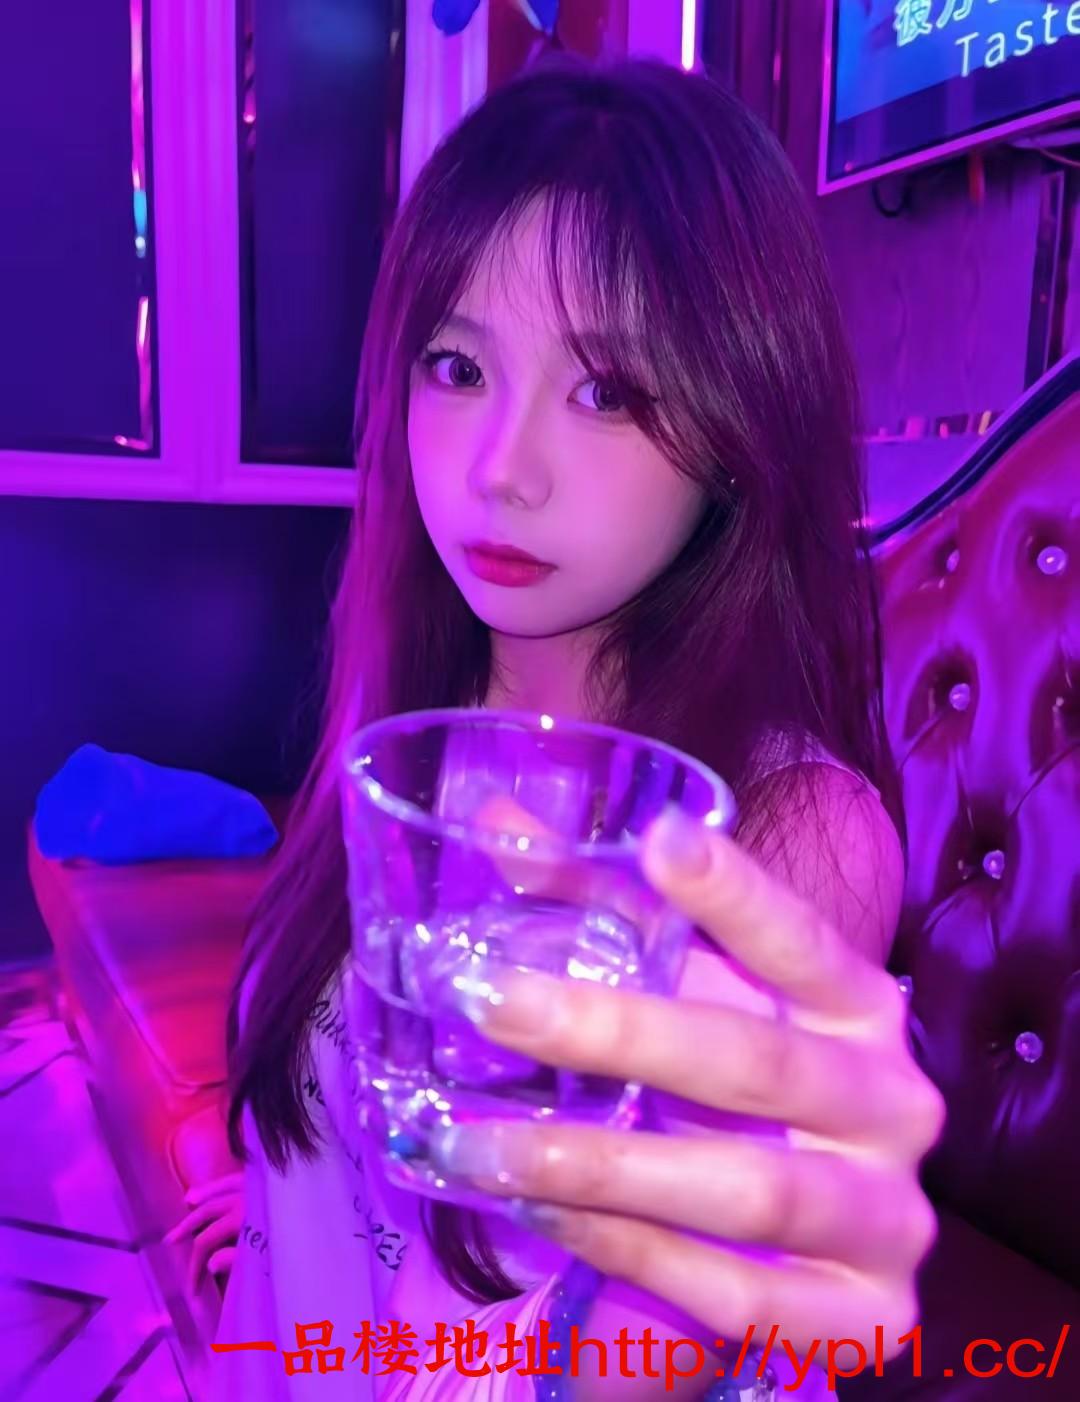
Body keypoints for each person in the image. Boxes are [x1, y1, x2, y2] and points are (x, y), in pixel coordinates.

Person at [175, 56, 945, 1400]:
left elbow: (642, 1340)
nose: (501, 468)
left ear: (740, 428)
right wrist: (282, 1209)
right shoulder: (413, 717)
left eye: (608, 391)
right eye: (457, 365)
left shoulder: (787, 833)